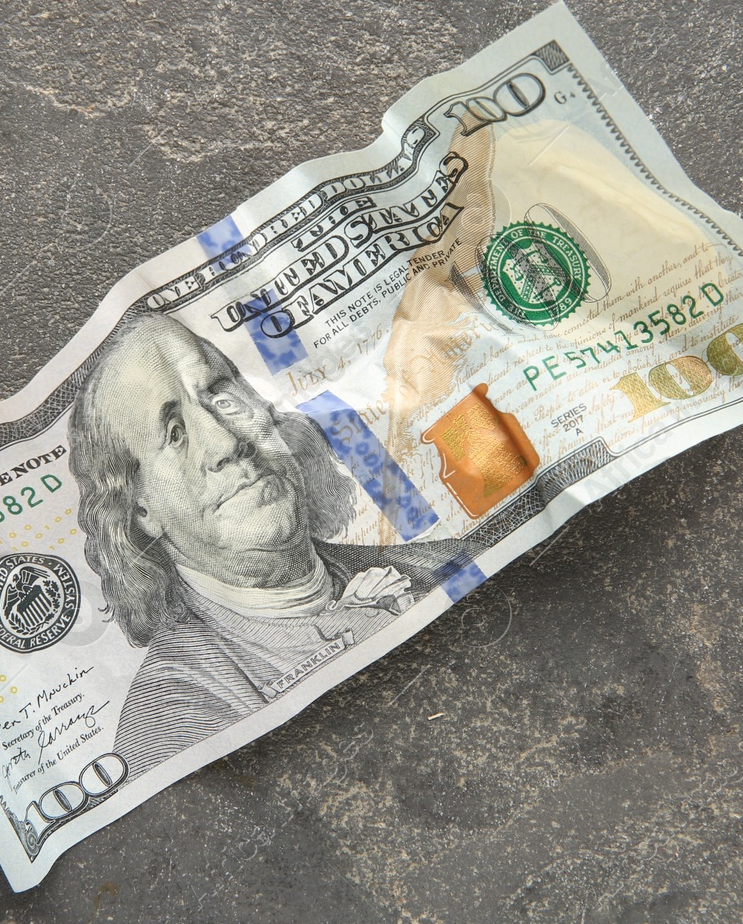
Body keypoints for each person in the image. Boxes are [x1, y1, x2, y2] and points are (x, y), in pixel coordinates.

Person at [68, 312, 463, 775]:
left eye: (221, 396)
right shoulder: (174, 716)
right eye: (174, 434)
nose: (225, 443)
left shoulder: (445, 563)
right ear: (140, 511)